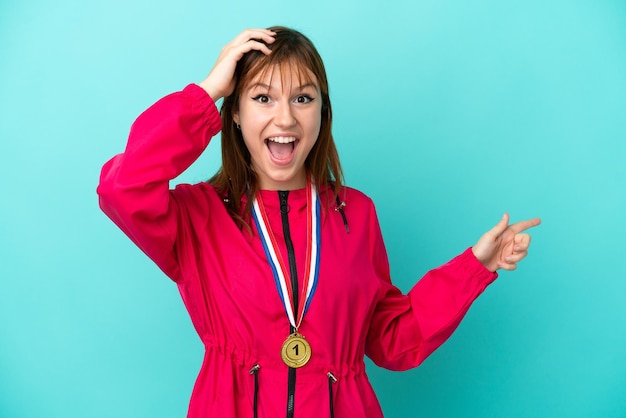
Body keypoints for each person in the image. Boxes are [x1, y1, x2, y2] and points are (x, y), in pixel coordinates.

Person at [97, 26, 540, 418]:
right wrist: (207, 90)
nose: (285, 118)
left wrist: (474, 268)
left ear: (322, 112)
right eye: (262, 97)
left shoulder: (357, 214)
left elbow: (393, 339)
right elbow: (124, 187)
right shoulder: (199, 215)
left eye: (303, 98)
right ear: (234, 113)